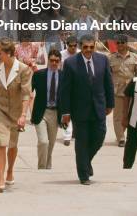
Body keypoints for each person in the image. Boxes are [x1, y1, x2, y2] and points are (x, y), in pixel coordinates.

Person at [60, 33, 115, 185]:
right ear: (79, 47)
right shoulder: (71, 63)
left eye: (91, 47)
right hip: (80, 110)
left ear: (95, 46)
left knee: (99, 137)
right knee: (82, 142)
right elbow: (65, 90)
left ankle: (86, 162)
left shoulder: (103, 60)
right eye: (85, 47)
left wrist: (110, 104)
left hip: (99, 107)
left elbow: (108, 83)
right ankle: (83, 175)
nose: (88, 50)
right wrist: (65, 112)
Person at [0, 38, 32, 193]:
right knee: (1, 142)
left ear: (8, 54)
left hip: (16, 111)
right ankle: (1, 177)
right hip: (0, 108)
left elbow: (26, 94)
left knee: (12, 145)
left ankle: (10, 171)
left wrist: (23, 115)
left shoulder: (23, 70)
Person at [31, 48, 62, 169]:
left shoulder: (63, 76)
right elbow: (28, 91)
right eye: (52, 60)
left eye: (56, 61)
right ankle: (41, 168)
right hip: (41, 112)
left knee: (51, 144)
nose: (54, 63)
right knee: (43, 142)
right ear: (48, 60)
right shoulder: (39, 75)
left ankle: (47, 167)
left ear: (59, 61)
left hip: (55, 113)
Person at [109, 34, 137, 147]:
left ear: (126, 44)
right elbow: (108, 76)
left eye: (122, 42)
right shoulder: (111, 58)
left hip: (131, 91)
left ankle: (122, 133)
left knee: (129, 115)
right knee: (117, 116)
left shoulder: (134, 57)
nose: (120, 45)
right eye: (118, 43)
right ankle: (121, 138)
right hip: (117, 90)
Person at [60, 35, 79, 146]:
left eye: (75, 46)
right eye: (70, 46)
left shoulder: (81, 53)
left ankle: (75, 133)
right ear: (67, 45)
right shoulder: (62, 55)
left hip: (78, 86)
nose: (73, 48)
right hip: (66, 85)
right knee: (66, 111)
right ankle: (67, 136)